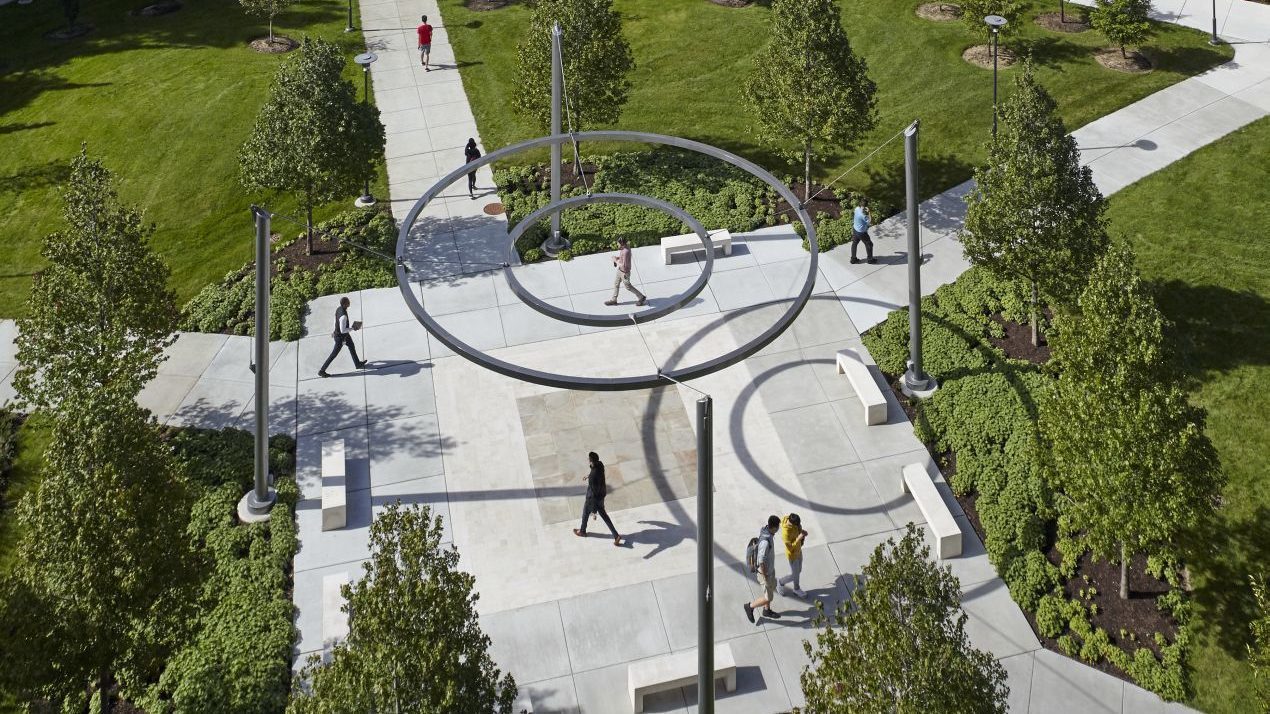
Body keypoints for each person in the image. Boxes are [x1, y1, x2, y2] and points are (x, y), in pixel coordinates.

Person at [573, 452, 621, 546]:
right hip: (602, 495)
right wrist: (588, 475)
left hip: (593, 498)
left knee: (585, 512)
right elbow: (594, 472)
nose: (588, 460)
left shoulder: (593, 476)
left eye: (589, 459)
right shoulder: (600, 465)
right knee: (604, 515)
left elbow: (594, 491)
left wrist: (594, 510)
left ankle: (582, 531)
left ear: (591, 461)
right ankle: (616, 535)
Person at [743, 515, 783, 625]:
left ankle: (766, 610)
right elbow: (760, 561)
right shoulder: (765, 542)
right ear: (774, 527)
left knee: (771, 588)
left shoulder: (767, 532)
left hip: (770, 570)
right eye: (778, 527)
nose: (779, 528)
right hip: (765, 573)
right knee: (768, 597)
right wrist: (765, 576)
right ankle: (749, 606)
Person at [318, 296, 365, 378]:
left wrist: (334, 330)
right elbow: (343, 330)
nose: (349, 303)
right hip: (340, 337)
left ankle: (357, 364)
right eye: (348, 302)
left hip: (345, 336)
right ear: (344, 304)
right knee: (333, 354)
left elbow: (335, 320)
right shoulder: (343, 316)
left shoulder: (338, 309)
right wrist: (353, 328)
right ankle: (322, 371)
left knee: (351, 346)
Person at [604, 237, 646, 307]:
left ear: (622, 244)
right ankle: (614, 300)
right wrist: (618, 258)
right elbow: (622, 259)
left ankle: (641, 297)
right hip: (619, 270)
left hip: (624, 273)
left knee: (628, 287)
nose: (617, 245)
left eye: (618, 244)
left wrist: (615, 261)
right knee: (616, 284)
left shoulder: (626, 251)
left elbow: (624, 265)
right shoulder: (623, 248)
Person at [777, 513, 808, 598]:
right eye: (797, 525)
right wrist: (799, 538)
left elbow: (798, 528)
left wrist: (802, 532)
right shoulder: (785, 533)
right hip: (792, 555)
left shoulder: (793, 521)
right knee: (794, 574)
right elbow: (790, 548)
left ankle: (796, 588)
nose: (798, 526)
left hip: (798, 550)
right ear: (792, 523)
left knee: (798, 571)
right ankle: (781, 582)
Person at [850, 197, 876, 265]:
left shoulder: (856, 209)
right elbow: (871, 221)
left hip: (855, 229)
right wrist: (869, 212)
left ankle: (853, 259)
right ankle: (870, 260)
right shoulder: (863, 215)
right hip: (861, 232)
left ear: (860, 204)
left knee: (854, 243)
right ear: (866, 206)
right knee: (869, 244)